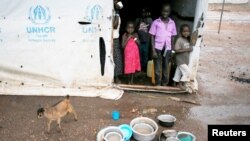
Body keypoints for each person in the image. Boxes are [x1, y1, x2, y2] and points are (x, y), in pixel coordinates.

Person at [149, 3, 177, 86]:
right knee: (157, 66)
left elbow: (173, 37)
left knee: (166, 66)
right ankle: (158, 83)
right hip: (157, 47)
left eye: (167, 11)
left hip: (167, 48)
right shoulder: (155, 22)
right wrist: (153, 50)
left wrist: (172, 50)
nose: (165, 13)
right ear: (161, 11)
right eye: (164, 11)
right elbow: (152, 37)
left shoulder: (172, 23)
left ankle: (164, 83)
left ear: (170, 12)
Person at [173, 24, 193, 89]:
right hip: (180, 60)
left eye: (187, 31)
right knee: (188, 72)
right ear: (181, 32)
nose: (186, 33)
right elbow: (176, 50)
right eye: (184, 31)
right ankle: (180, 83)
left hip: (185, 60)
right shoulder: (179, 40)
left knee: (178, 72)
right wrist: (186, 49)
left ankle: (174, 83)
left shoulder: (188, 40)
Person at [113, 0, 123, 83]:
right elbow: (115, 26)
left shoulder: (116, 13)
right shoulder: (113, 13)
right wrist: (117, 11)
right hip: (111, 39)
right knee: (115, 58)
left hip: (115, 38)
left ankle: (116, 77)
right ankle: (114, 77)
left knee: (117, 58)